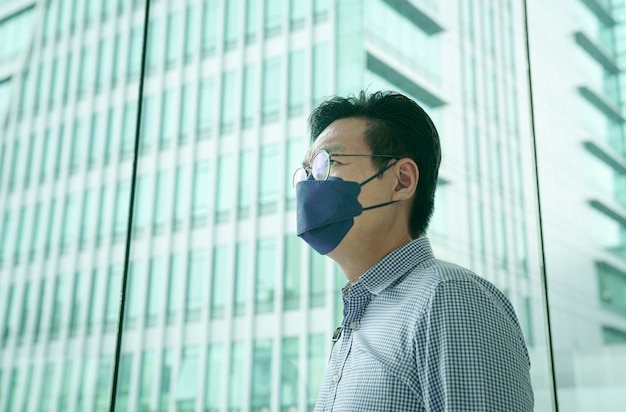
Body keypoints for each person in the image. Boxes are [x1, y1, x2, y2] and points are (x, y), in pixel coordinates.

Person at [293, 91, 534, 411]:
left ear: (401, 180)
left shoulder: (450, 298)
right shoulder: (358, 321)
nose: (308, 186)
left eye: (326, 163)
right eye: (306, 173)